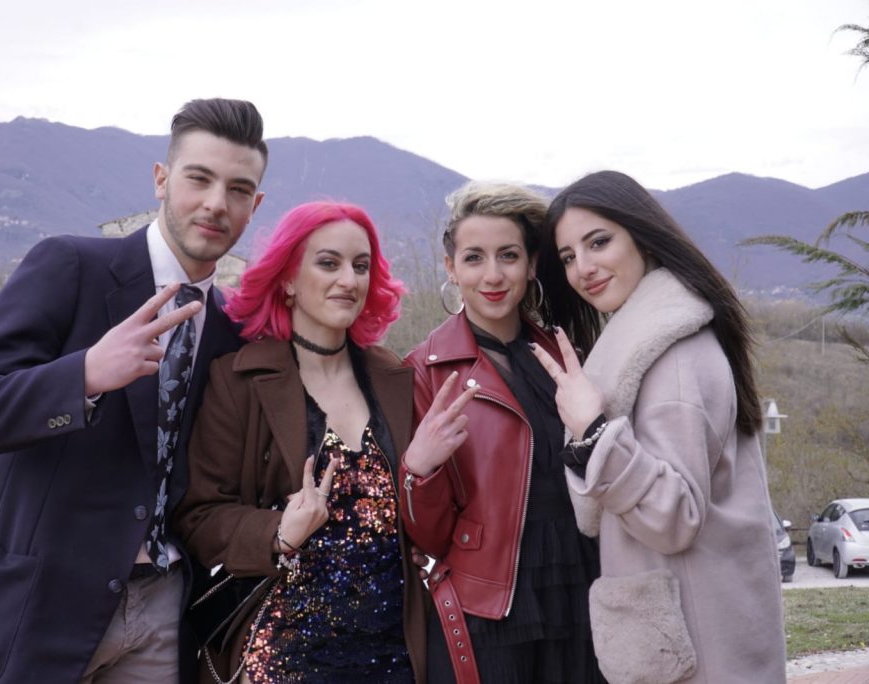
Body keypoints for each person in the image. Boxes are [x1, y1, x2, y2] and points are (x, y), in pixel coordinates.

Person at [0, 98, 268, 684]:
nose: (216, 203)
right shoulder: (72, 266)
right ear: (161, 180)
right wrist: (83, 374)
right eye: (199, 178)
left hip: (164, 613)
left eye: (238, 189)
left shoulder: (235, 329)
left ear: (254, 206)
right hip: (35, 607)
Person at [531, 170, 787, 683]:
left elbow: (673, 517)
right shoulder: (666, 337)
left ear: (642, 236)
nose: (583, 268)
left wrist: (593, 431)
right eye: (568, 257)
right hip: (705, 623)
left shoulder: (672, 355)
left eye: (598, 242)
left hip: (699, 646)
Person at [176, 201, 427, 684]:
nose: (349, 280)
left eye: (360, 266)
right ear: (288, 278)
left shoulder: (395, 377)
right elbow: (199, 516)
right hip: (281, 656)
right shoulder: (239, 381)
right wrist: (279, 532)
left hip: (394, 652)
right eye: (329, 263)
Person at [400, 181, 604, 683]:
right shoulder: (424, 372)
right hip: (489, 603)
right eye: (474, 258)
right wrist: (419, 469)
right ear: (451, 268)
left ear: (532, 265)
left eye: (508, 256)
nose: (492, 275)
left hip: (583, 582)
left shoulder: (568, 356)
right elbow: (428, 537)